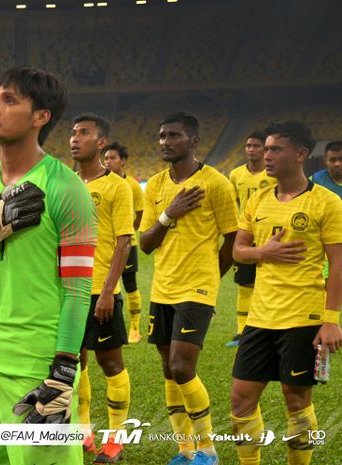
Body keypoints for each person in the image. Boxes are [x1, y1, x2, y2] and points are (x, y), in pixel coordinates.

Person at [0, 66, 97, 465]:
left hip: (37, 366)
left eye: (9, 100)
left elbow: (78, 290)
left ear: (41, 116)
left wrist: (64, 370)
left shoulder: (67, 188)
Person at [230, 121, 342, 465]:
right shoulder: (257, 199)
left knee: (296, 402)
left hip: (303, 317)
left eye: (274, 149)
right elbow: (239, 251)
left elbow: (338, 265)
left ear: (300, 154)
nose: (266, 155)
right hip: (260, 317)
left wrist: (330, 321)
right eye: (265, 148)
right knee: (240, 400)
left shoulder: (326, 203)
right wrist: (263, 253)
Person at [139, 112, 238, 465]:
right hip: (162, 289)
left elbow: (233, 237)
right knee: (168, 369)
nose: (165, 141)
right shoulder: (154, 185)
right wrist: (170, 213)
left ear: (194, 141)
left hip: (196, 289)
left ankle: (208, 450)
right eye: (162, 135)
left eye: (174, 136)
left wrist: (212, 276)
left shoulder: (216, 183)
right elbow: (146, 243)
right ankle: (184, 451)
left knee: (182, 367)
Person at [71, 114, 134, 463]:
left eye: (83, 133)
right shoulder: (65, 183)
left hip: (100, 290)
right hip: (69, 291)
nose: (74, 138)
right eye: (73, 132)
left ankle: (115, 440)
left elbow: (124, 241)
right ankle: (83, 434)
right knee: (74, 362)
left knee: (110, 362)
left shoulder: (116, 187)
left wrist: (109, 291)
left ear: (101, 143)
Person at [226, 131, 276, 348]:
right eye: (248, 146)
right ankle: (242, 331)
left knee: (268, 282)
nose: (251, 149)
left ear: (264, 149)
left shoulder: (273, 174)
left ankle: (268, 326)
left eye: (256, 146)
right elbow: (234, 202)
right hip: (245, 235)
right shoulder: (236, 175)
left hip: (268, 235)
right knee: (245, 283)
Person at [312, 140, 342, 355]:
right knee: (324, 288)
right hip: (323, 246)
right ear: (325, 160)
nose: (337, 164)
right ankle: (323, 331)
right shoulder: (316, 180)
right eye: (332, 160)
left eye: (341, 159)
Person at [104, 141, 145, 343]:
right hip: (104, 245)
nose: (108, 162)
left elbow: (140, 215)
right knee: (105, 284)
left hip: (128, 244)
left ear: (123, 161)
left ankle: (135, 328)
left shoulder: (134, 187)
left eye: (112, 158)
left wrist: (126, 233)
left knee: (130, 284)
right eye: (106, 158)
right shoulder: (102, 183)